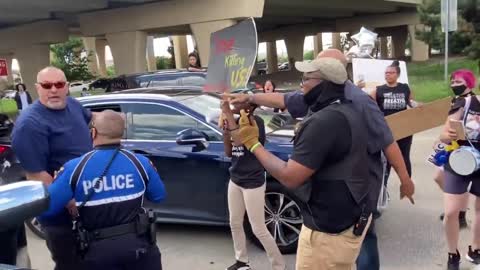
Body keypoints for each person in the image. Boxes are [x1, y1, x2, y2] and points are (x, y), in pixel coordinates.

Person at [226, 49, 415, 270]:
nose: (301, 84)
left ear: (327, 78)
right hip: (345, 203)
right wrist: (251, 97)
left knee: (364, 243)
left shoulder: (353, 107)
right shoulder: (334, 103)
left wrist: (252, 143)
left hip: (338, 214)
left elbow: (387, 141)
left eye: (306, 78)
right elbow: (286, 99)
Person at [40, 110, 166, 270]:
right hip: (139, 250)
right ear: (122, 133)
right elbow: (159, 196)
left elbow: (46, 211)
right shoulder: (141, 163)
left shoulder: (74, 168)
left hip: (96, 254)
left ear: (93, 132)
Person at [11, 67, 93, 270]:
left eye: (59, 84)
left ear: (67, 87)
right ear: (38, 88)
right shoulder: (29, 124)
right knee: (70, 263)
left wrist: (116, 123)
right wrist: (69, 200)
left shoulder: (73, 105)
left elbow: (93, 120)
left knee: (92, 260)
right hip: (62, 213)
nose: (54, 90)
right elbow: (36, 175)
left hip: (88, 203)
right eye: (47, 86)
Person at [220, 98, 286, 270]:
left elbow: (240, 140)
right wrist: (225, 132)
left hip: (253, 181)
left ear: (249, 106)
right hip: (235, 178)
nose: (234, 104)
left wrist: (227, 114)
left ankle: (279, 265)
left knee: (258, 228)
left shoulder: (256, 122)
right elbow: (229, 152)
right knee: (234, 223)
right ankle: (242, 261)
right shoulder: (232, 120)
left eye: (238, 102)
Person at [439, 69, 480, 270]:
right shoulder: (463, 103)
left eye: (458, 80)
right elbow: (444, 135)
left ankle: (475, 249)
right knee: (451, 212)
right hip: (459, 161)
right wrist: (449, 135)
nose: (455, 83)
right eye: (453, 80)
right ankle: (452, 253)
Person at [369, 60, 416, 183]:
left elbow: (411, 104)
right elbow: (372, 109)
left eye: (391, 72)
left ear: (397, 74)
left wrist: (420, 107)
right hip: (386, 129)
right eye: (386, 73)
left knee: (404, 156)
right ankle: (383, 188)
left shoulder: (405, 88)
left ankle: (406, 184)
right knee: (387, 159)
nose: (388, 75)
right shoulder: (378, 90)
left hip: (404, 128)